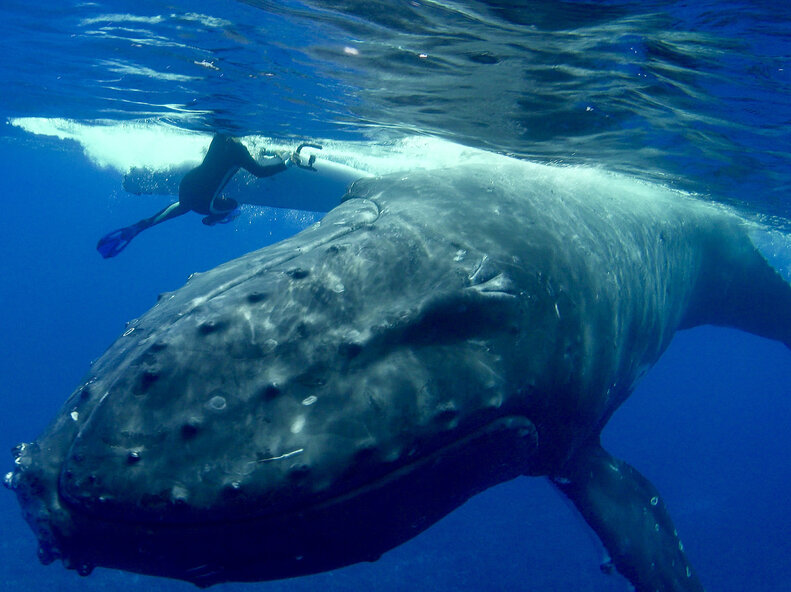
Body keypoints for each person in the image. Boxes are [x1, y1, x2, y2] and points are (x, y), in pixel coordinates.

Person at [97, 134, 300, 258]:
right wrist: (288, 163)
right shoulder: (239, 151)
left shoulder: (219, 137)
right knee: (233, 205)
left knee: (183, 206)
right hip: (206, 204)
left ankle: (138, 227)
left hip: (188, 185)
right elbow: (260, 172)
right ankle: (212, 220)